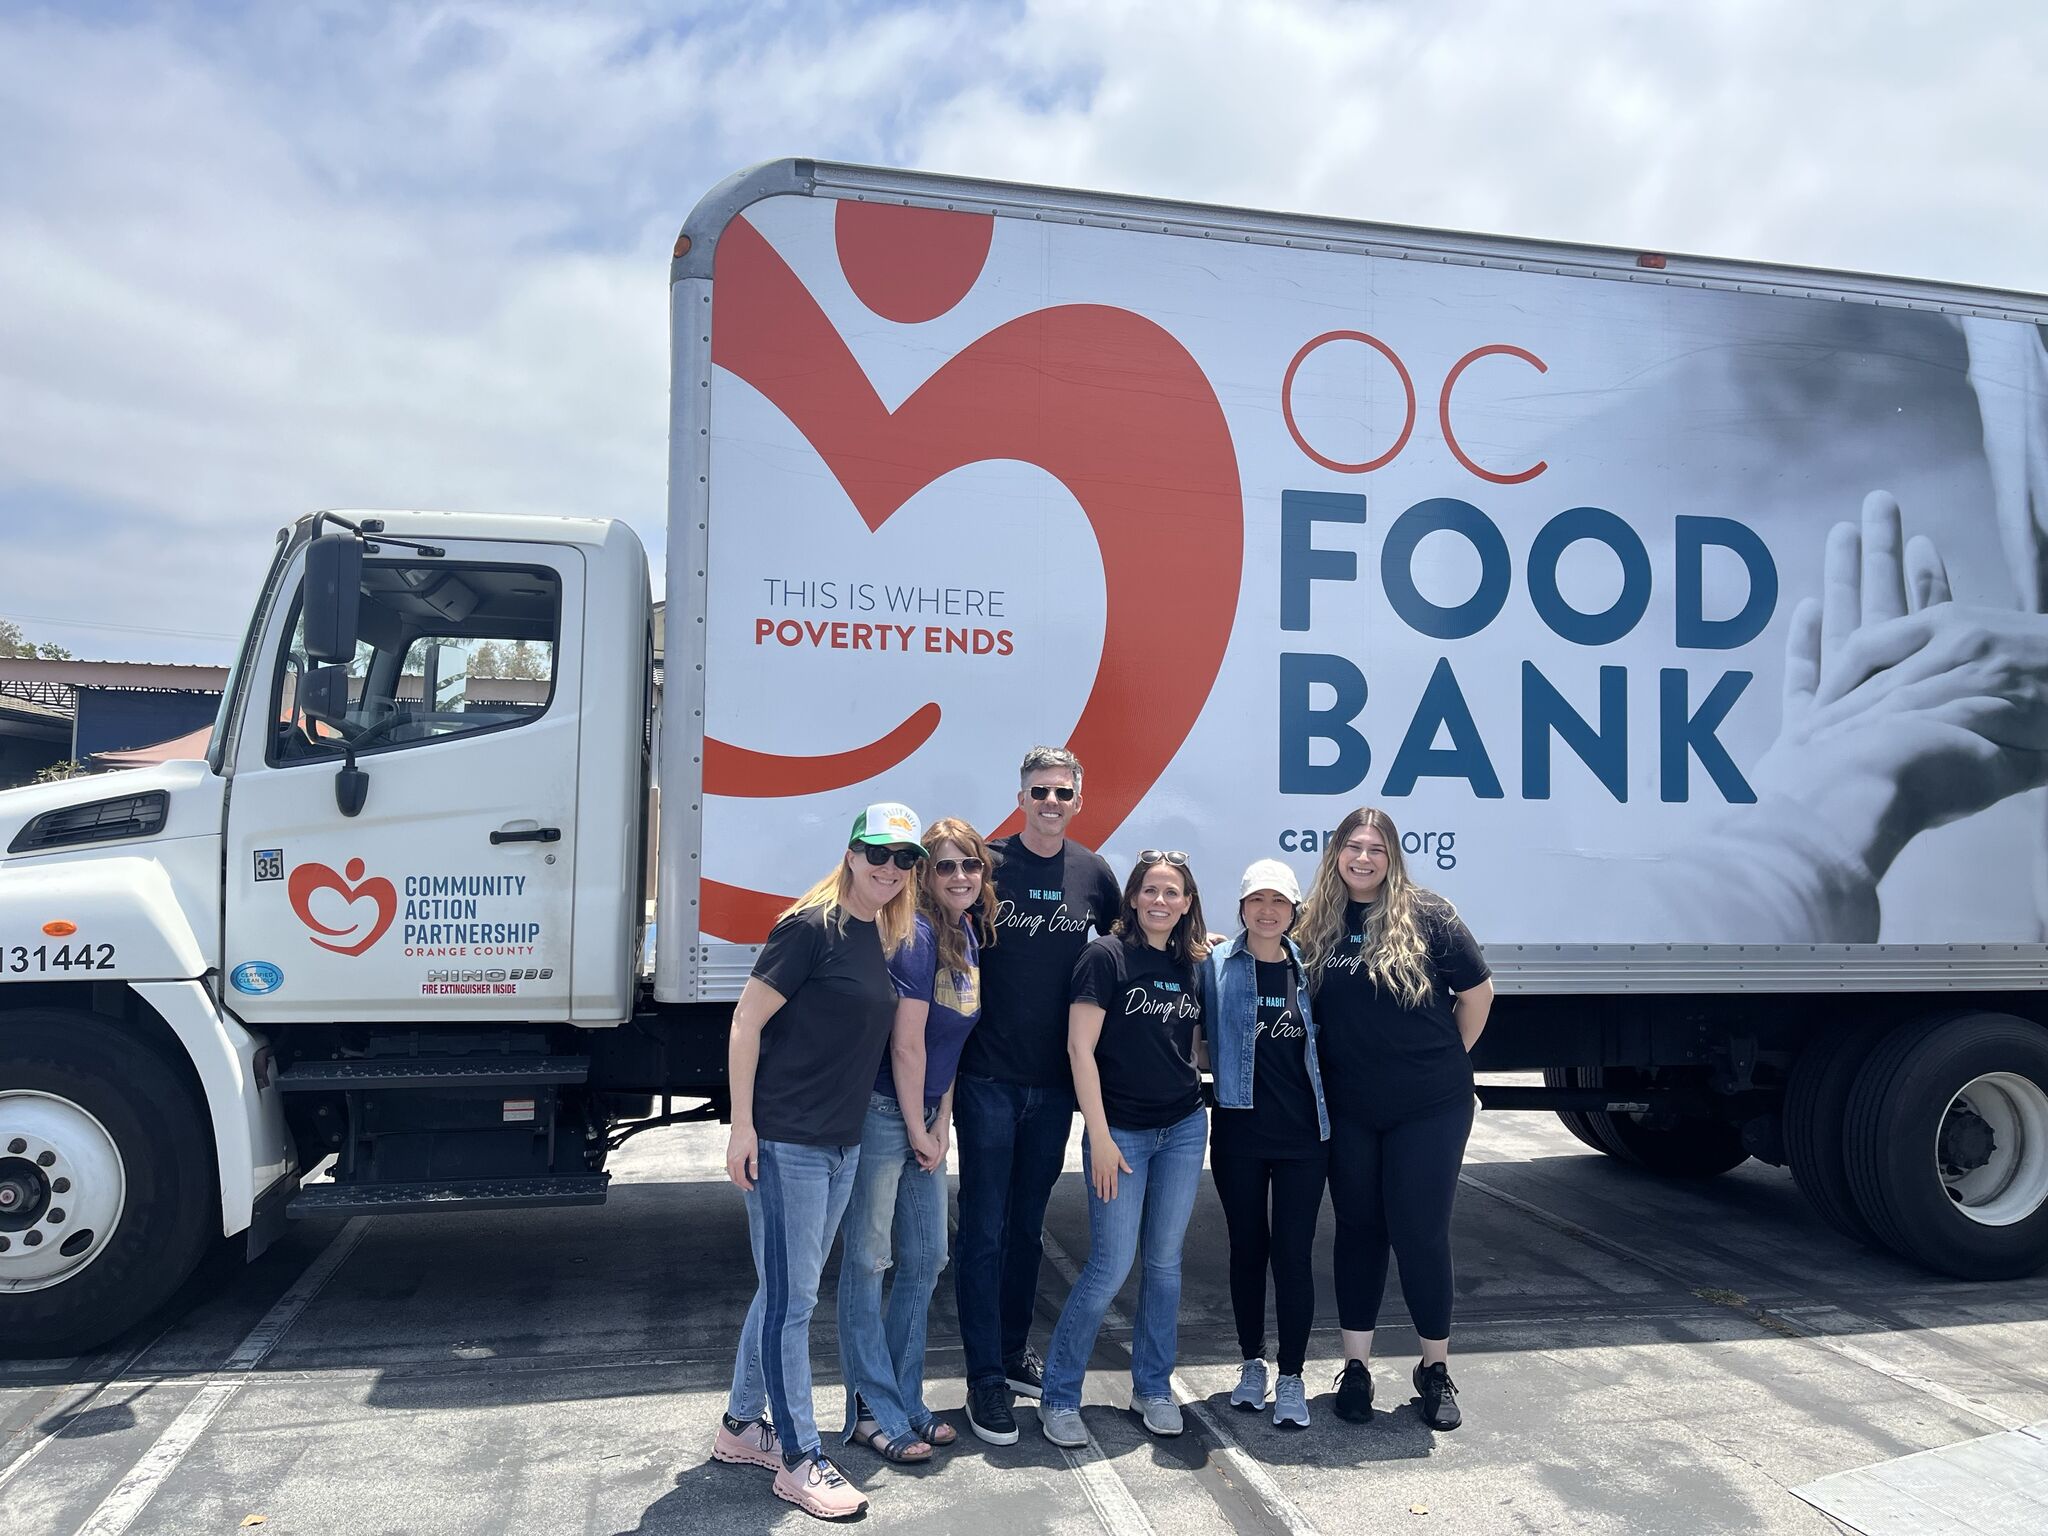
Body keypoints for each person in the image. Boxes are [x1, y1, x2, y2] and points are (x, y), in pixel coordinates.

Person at [715, 803, 925, 1522]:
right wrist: (743, 1127)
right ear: (851, 851)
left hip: (840, 1143)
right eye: (878, 852)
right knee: (792, 1301)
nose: (890, 868)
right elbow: (746, 1021)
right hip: (786, 1141)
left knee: (783, 1292)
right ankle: (801, 1458)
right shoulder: (812, 926)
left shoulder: (879, 934)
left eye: (904, 859)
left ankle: (743, 1427)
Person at [1296, 808, 1493, 1432]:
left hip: (1429, 1108)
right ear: (1335, 854)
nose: (1362, 858)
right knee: (1358, 1230)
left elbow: (1478, 993)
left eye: (1375, 848)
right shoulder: (1315, 923)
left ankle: (1434, 1369)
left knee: (1420, 1232)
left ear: (1392, 857)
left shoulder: (1429, 915)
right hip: (1351, 1109)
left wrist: (1441, 1064)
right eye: (1352, 846)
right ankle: (1355, 1368)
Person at [951, 747, 1122, 1445]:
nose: (1051, 801)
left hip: (1054, 1088)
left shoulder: (1094, 873)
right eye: (1039, 790)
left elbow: (1128, 949)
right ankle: (983, 1380)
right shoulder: (985, 866)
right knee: (984, 1230)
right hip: (987, 1080)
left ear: (1079, 799)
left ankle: (1014, 1346)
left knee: (1027, 1225)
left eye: (1063, 792)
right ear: (1020, 795)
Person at [836, 817, 996, 1463]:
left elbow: (950, 1045)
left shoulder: (966, 935)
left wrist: (940, 1122)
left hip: (924, 1114)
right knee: (868, 1260)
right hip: (884, 1111)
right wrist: (913, 1125)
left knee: (926, 1259)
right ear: (926, 874)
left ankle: (904, 1395)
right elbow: (904, 1045)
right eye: (945, 865)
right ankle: (871, 1408)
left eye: (971, 865)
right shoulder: (917, 935)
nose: (960, 876)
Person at [1039, 852, 1211, 1447]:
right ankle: (1060, 1397)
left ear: (1188, 902)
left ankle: (1153, 1388)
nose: (1161, 901)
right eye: (1151, 891)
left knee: (1164, 1265)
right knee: (1109, 1267)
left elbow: (1191, 1047)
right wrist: (1102, 1138)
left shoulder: (1192, 965)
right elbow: (1079, 1051)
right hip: (1123, 1134)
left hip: (1185, 1127)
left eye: (1173, 892)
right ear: (1133, 898)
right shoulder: (1104, 957)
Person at [1199, 858, 1331, 1429]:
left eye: (1279, 901)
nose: (1268, 911)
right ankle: (1251, 1362)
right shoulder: (1216, 967)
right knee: (1247, 1250)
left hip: (1305, 1138)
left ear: (1294, 910)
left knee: (1293, 1255)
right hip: (1239, 1133)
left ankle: (1294, 1375)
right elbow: (1195, 1033)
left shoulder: (1313, 972)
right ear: (1243, 907)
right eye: (1258, 900)